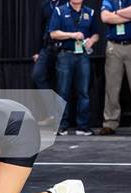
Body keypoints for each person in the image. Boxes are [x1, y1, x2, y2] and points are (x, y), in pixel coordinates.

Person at [49, 0, 100, 136]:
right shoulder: (60, 10)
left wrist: (92, 40)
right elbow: (53, 33)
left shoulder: (90, 12)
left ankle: (83, 126)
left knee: (83, 92)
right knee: (62, 91)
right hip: (65, 55)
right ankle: (61, 125)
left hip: (83, 56)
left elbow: (96, 33)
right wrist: (72, 35)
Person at [99, 0, 131, 135]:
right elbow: (105, 17)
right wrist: (127, 15)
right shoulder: (109, 0)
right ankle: (110, 123)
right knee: (112, 87)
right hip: (114, 46)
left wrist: (115, 14)